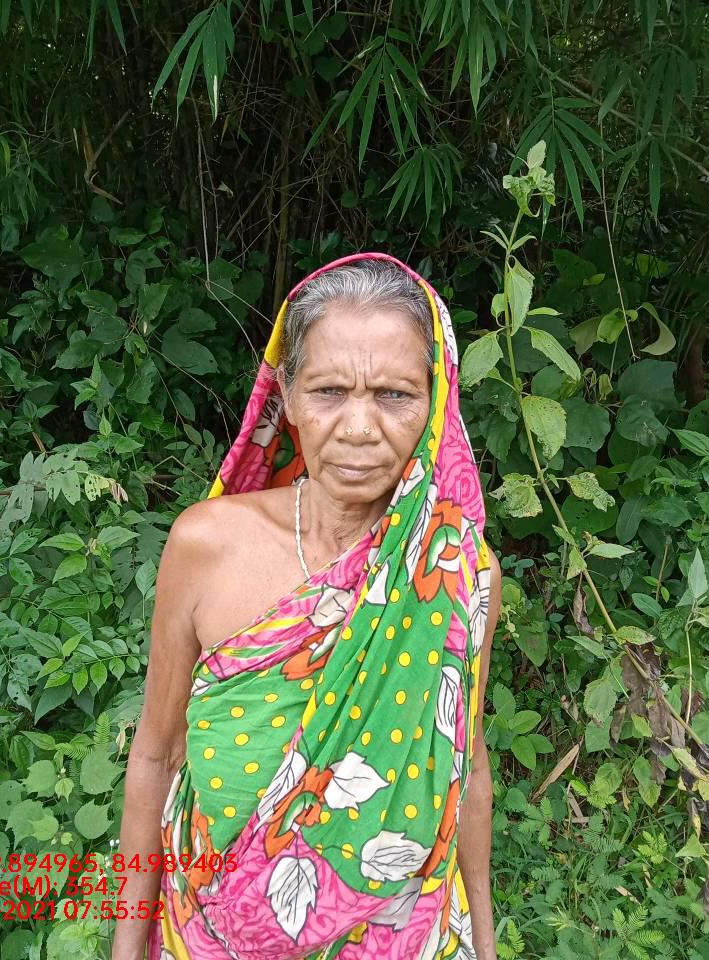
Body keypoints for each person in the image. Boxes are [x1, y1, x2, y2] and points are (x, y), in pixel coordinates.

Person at [111, 253, 502, 960]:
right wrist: (127, 944)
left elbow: (465, 765)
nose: (358, 427)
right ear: (286, 396)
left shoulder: (456, 571)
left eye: (394, 395)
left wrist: (483, 935)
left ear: (435, 404)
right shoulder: (207, 545)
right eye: (328, 391)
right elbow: (157, 753)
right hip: (208, 933)